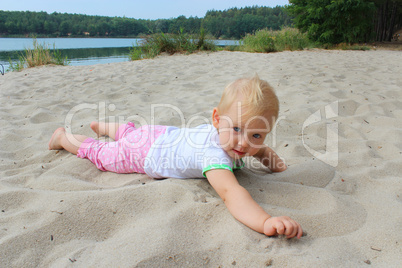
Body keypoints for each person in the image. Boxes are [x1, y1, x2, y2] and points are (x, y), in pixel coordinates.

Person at [49, 75, 303, 239]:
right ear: (216, 118)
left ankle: (106, 127)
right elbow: (232, 194)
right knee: (101, 153)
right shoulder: (214, 156)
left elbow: (263, 152)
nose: (244, 143)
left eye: (257, 135)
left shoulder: (240, 142)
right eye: (236, 129)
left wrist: (281, 169)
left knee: (133, 132)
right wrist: (265, 221)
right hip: (145, 154)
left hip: (161, 134)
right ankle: (63, 138)